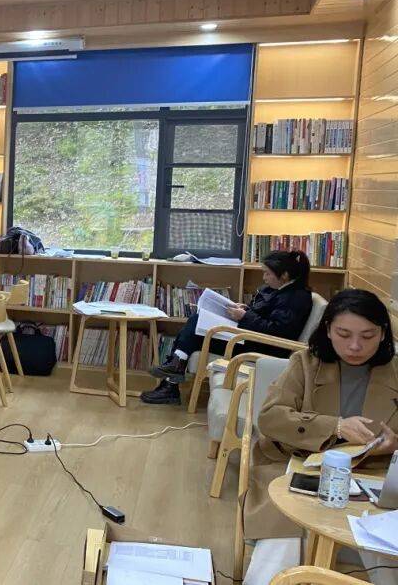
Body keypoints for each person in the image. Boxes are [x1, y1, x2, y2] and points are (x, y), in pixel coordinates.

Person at [242, 289, 398, 585]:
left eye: (367, 336)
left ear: (382, 334)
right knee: (282, 541)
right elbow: (270, 418)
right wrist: (334, 426)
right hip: (296, 470)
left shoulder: (395, 372)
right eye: (343, 334)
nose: (355, 346)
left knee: (384, 549)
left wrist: (394, 446)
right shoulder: (305, 363)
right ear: (328, 330)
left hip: (373, 478)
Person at [143, 250, 313, 405]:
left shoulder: (296, 298)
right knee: (197, 321)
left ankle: (173, 376)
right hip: (249, 338)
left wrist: (245, 316)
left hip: (262, 347)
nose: (264, 278)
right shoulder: (281, 290)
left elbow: (278, 331)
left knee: (196, 327)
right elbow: (267, 315)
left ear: (284, 275)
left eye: (267, 273)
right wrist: (246, 310)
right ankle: (174, 373)